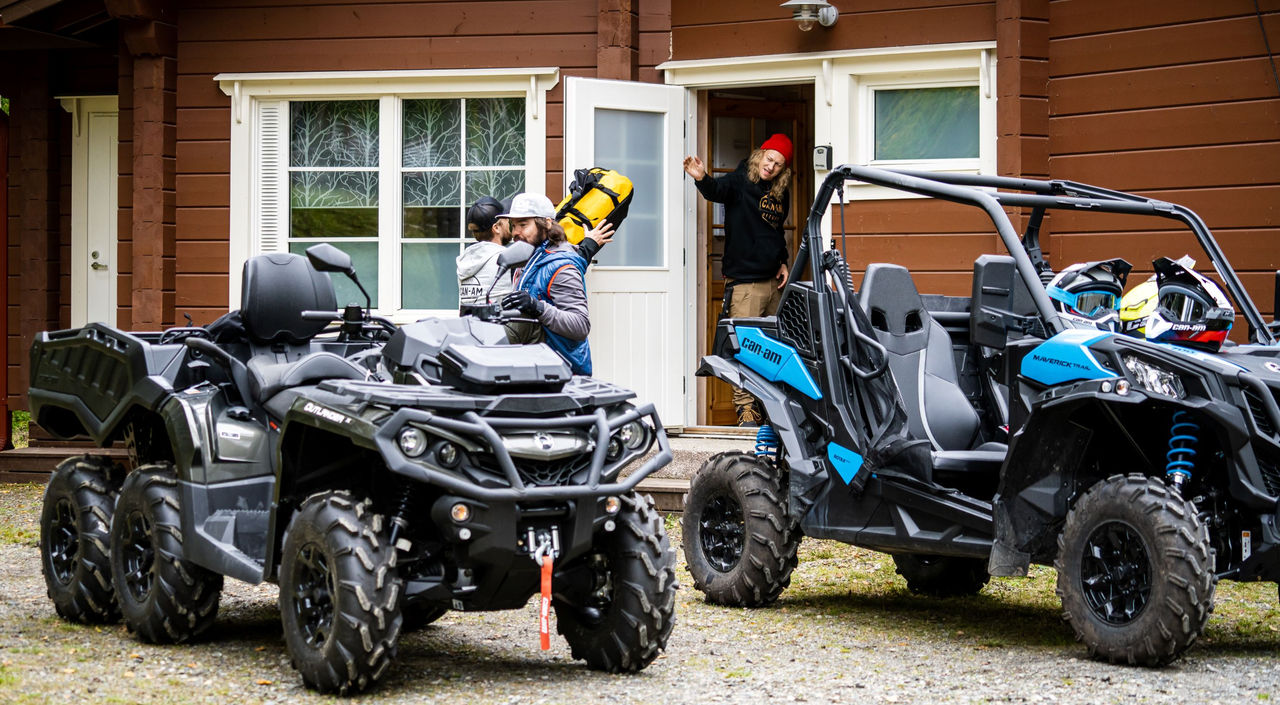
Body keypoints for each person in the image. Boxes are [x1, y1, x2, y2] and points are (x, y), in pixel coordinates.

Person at [683, 132, 793, 426]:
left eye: (778, 164)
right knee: (743, 347)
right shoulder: (740, 180)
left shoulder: (780, 192)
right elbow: (717, 190)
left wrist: (783, 261)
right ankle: (746, 411)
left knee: (772, 349)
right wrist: (701, 177)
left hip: (773, 283)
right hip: (745, 284)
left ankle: (770, 409)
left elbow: (776, 231)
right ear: (761, 155)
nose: (771, 166)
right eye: (769, 159)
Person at [498, 193, 613, 376]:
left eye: (523, 225)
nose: (515, 233)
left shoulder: (562, 268)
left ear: (547, 224)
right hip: (533, 369)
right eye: (513, 226)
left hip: (562, 374)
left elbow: (580, 326)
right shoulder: (527, 261)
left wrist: (538, 307)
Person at [457, 196, 514, 306]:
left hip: (469, 317)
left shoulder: (466, 259)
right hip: (499, 317)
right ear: (496, 227)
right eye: (507, 221)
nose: (511, 225)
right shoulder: (507, 259)